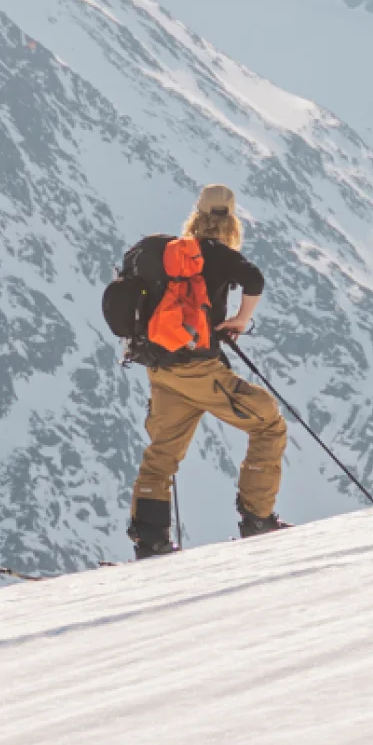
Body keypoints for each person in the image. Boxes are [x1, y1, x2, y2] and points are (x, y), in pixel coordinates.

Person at [126, 184, 288, 555]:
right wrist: (240, 320)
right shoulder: (218, 254)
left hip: (160, 369)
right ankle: (258, 519)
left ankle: (151, 540)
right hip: (200, 372)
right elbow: (254, 280)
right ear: (231, 220)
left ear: (195, 215)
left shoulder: (160, 253)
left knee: (162, 453)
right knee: (268, 423)